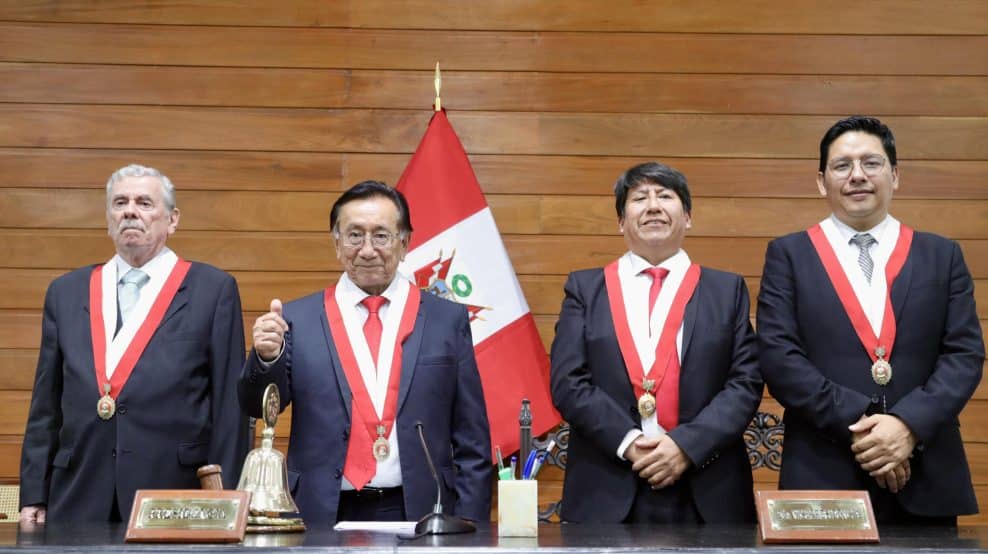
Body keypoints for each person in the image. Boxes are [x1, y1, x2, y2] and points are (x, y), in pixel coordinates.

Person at [757, 116, 985, 525]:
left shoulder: (941, 255)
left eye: (871, 163)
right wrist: (868, 432)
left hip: (925, 473)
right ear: (821, 181)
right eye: (842, 166)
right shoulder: (789, 255)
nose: (857, 176)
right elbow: (779, 358)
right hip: (823, 474)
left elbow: (963, 356)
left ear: (895, 176)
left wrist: (906, 426)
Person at [239, 180, 492, 526]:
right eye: (355, 235)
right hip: (322, 509)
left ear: (405, 244)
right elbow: (257, 407)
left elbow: (472, 439)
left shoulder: (445, 320)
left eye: (381, 236)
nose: (368, 249)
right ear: (337, 243)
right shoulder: (298, 319)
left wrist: (470, 526)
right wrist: (266, 357)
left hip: (421, 507)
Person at [19, 164, 249, 523]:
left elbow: (229, 408)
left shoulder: (212, 290)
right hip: (78, 489)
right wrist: (34, 493)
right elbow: (46, 404)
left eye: (144, 202)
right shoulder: (66, 292)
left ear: (172, 220)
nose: (130, 211)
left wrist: (226, 500)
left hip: (175, 493)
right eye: (120, 202)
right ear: (109, 218)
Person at [550, 162, 762, 523]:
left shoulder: (726, 291)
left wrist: (685, 446)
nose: (652, 206)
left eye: (665, 196)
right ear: (621, 221)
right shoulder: (585, 289)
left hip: (707, 488)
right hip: (608, 485)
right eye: (638, 198)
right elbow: (568, 381)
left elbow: (745, 383)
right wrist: (629, 442)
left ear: (688, 217)